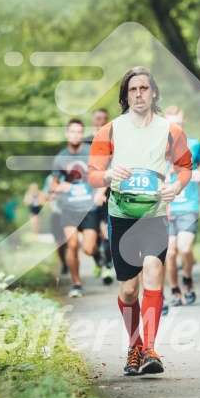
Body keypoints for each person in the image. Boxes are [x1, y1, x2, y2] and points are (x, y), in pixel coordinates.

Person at [88, 66, 192, 376]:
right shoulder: (108, 131)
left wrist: (176, 186)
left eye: (144, 88)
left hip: (155, 216)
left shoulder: (171, 131)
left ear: (154, 93)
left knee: (153, 271)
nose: (139, 94)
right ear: (124, 96)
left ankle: (149, 348)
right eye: (133, 89)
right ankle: (134, 344)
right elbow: (93, 176)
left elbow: (185, 167)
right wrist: (108, 174)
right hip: (120, 218)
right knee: (129, 291)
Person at [51, 119, 107, 297]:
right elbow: (53, 184)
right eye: (72, 132)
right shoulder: (60, 157)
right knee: (72, 245)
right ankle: (77, 284)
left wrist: (100, 192)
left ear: (82, 134)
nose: (75, 135)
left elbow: (105, 174)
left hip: (89, 209)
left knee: (88, 249)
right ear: (67, 134)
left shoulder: (90, 152)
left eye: (78, 132)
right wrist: (59, 187)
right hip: (69, 208)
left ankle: (97, 256)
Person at [164, 106, 200, 306]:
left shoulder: (194, 144)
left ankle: (188, 279)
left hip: (188, 205)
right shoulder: (157, 147)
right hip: (166, 208)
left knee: (184, 248)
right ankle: (174, 290)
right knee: (170, 252)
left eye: (179, 123)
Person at [84, 108, 114, 285]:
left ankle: (108, 266)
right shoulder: (85, 142)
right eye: (98, 118)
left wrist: (102, 190)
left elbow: (113, 167)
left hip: (107, 192)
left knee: (106, 232)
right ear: (93, 121)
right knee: (90, 242)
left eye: (104, 118)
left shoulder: (112, 141)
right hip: (86, 195)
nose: (101, 121)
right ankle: (98, 260)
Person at [42, 174, 68, 275]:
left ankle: (71, 262)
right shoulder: (50, 178)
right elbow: (45, 196)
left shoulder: (74, 175)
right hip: (57, 213)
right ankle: (64, 263)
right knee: (59, 242)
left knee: (70, 242)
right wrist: (52, 196)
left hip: (71, 213)